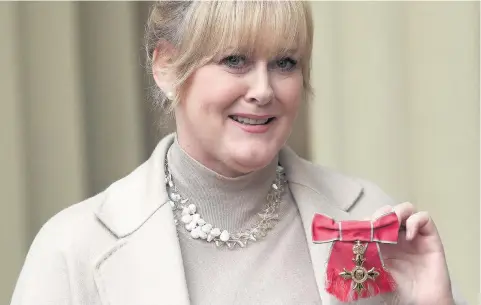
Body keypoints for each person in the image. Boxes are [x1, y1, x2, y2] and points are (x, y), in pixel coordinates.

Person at [10, 1, 466, 305]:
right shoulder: (73, 250)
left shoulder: (368, 217)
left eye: (284, 63)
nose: (263, 90)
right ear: (167, 67)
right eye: (235, 60)